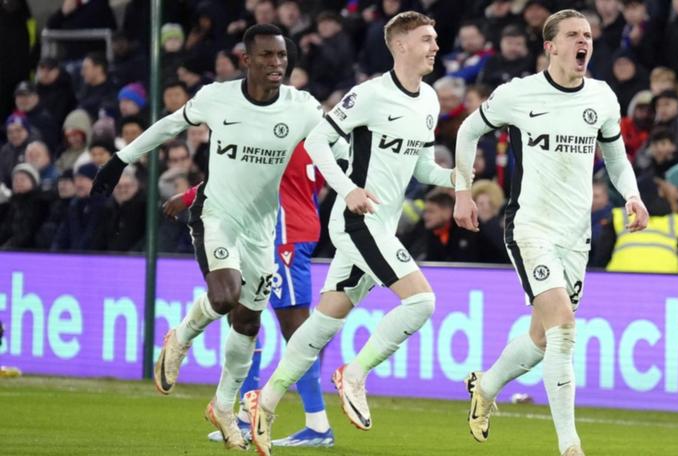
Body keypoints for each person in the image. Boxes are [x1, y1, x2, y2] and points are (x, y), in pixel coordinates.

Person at [90, 24, 325, 451]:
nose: (277, 64)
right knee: (224, 296)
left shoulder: (302, 107)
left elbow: (334, 148)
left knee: (248, 321)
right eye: (268, 56)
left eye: (282, 57)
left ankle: (223, 404)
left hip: (262, 228)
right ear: (246, 61)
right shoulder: (217, 98)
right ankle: (179, 337)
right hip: (215, 213)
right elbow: (168, 126)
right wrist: (122, 159)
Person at [244, 12, 454, 456]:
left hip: (379, 224)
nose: (435, 46)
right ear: (399, 46)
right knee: (421, 302)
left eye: (435, 39)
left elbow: (418, 166)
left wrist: (456, 178)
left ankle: (264, 402)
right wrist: (349, 188)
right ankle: (354, 374)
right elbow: (319, 140)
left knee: (322, 323)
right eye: (426, 39)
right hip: (357, 221)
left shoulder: (430, 100)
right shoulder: (370, 95)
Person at [452, 9, 649, 456]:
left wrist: (633, 196)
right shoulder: (518, 94)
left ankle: (487, 385)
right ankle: (570, 446)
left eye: (588, 35)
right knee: (564, 327)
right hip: (530, 228)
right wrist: (461, 191)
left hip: (575, 235)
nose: (584, 42)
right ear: (551, 47)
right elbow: (467, 130)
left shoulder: (600, 97)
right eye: (574, 35)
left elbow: (616, 159)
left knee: (542, 341)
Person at [165, 141, 336, 447]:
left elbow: (242, 174)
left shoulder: (283, 135)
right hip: (275, 232)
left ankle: (317, 424)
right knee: (244, 316)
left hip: (286, 234)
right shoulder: (312, 137)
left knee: (296, 329)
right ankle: (245, 417)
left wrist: (190, 195)